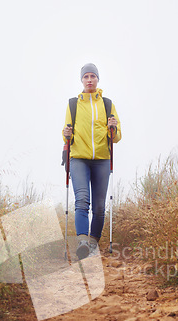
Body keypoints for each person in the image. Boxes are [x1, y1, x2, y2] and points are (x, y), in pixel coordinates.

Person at [62, 63, 121, 260]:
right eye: (85, 76)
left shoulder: (107, 104)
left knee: (99, 206)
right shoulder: (73, 104)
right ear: (81, 80)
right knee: (82, 200)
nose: (89, 80)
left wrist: (113, 128)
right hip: (79, 158)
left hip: (102, 159)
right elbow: (66, 135)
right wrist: (66, 134)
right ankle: (82, 242)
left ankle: (93, 244)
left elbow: (117, 136)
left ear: (97, 79)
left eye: (92, 76)